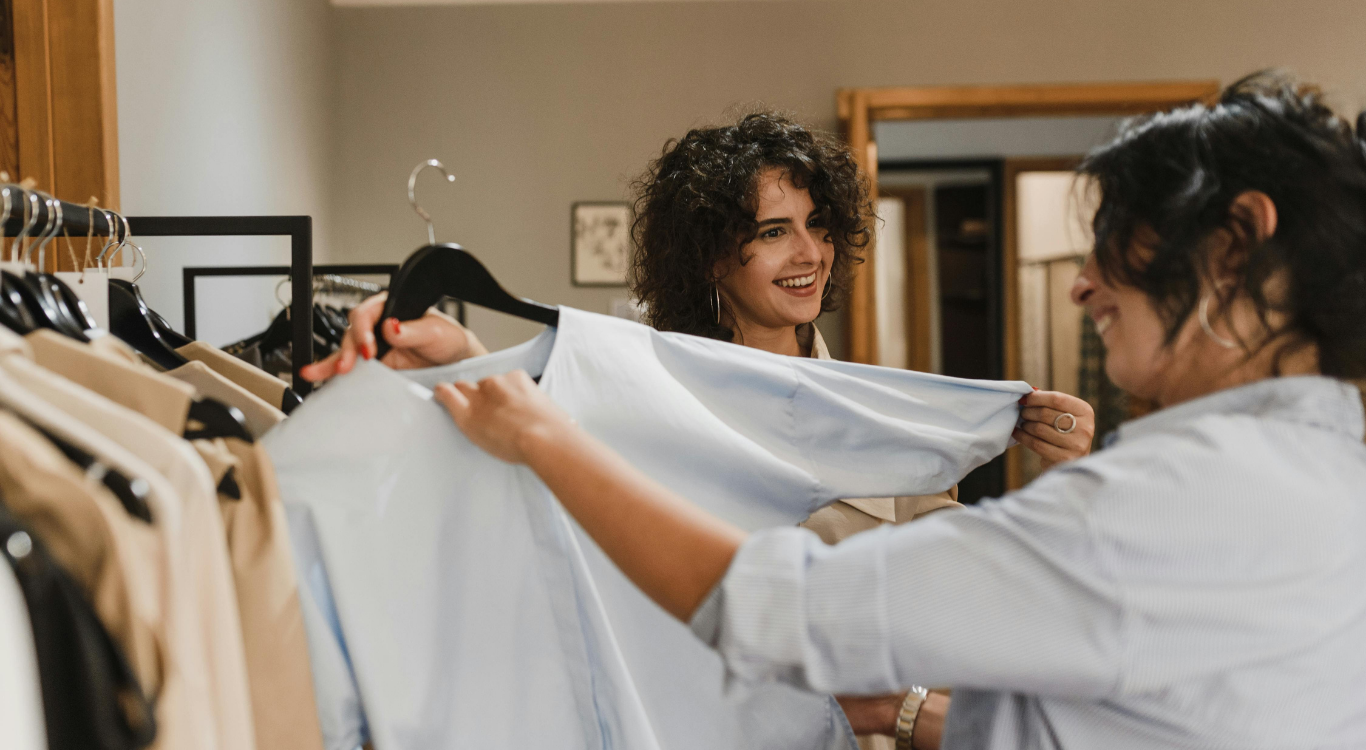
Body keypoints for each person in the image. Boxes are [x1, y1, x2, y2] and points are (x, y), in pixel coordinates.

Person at [427, 72, 1366, 749]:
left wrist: (541, 439)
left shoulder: (1154, 501)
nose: (1082, 286)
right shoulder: (1330, 475)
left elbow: (787, 611)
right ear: (716, 257)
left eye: (1115, 243)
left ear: (1235, 244)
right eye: (769, 232)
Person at [303, 112, 1095, 747]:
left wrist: (1066, 478)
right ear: (714, 258)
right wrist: (463, 359)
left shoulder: (880, 422)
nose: (810, 253)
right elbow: (555, 475)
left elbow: (967, 607)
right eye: (772, 231)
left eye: (818, 225)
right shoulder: (642, 394)